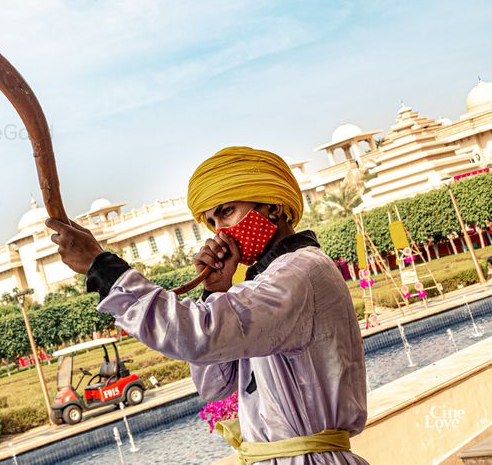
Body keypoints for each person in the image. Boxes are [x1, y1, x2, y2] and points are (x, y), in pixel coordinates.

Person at [46, 146, 367, 464]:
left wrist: (101, 266)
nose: (221, 233)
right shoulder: (264, 283)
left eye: (227, 211)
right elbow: (214, 385)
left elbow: (201, 334)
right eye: (212, 222)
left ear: (274, 206)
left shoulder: (300, 271)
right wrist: (214, 291)